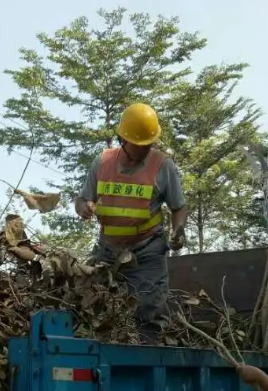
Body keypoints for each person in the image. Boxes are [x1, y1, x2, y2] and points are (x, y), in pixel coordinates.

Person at [73, 102, 188, 343]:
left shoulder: (162, 165)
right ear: (124, 139)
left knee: (147, 312)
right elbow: (82, 199)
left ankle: (145, 366)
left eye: (150, 142)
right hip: (107, 252)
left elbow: (178, 207)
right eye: (142, 143)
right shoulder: (102, 162)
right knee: (93, 306)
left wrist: (178, 231)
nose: (148, 148)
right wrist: (84, 207)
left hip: (146, 253)